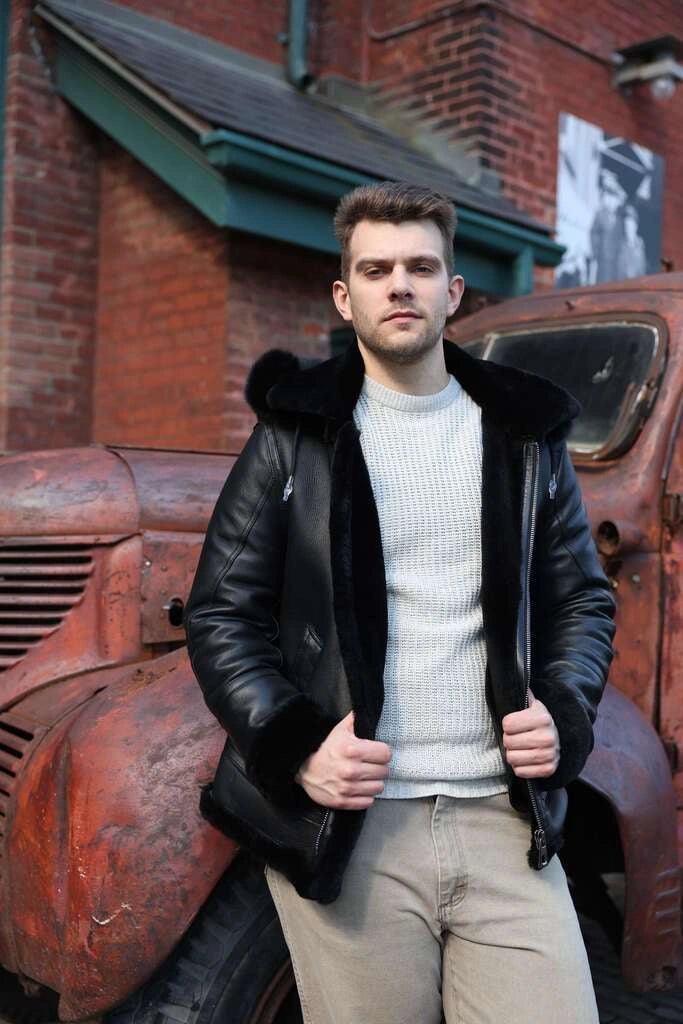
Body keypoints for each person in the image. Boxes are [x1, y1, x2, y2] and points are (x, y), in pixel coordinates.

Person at [184, 181, 616, 1024]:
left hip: (504, 822)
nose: (400, 285)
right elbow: (221, 610)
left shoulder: (523, 435)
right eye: (376, 269)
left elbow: (581, 602)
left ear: (453, 292)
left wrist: (564, 710)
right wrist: (295, 744)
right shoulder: (293, 432)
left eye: (421, 266)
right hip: (353, 833)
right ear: (345, 296)